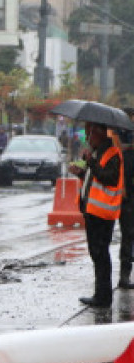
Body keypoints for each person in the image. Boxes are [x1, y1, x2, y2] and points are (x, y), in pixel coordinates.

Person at [69, 122, 123, 308]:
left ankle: (103, 297)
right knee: (96, 253)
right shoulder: (100, 153)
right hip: (93, 211)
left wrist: (90, 161)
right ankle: (100, 294)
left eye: (89, 134)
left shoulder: (111, 153)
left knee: (100, 254)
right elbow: (95, 179)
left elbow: (109, 178)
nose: (87, 139)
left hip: (102, 212)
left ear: (98, 133)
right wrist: (81, 173)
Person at [118, 108, 134, 289]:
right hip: (123, 196)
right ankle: (124, 276)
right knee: (127, 236)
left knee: (128, 236)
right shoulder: (116, 138)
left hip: (126, 196)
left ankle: (124, 276)